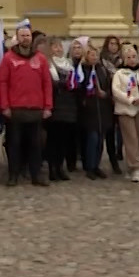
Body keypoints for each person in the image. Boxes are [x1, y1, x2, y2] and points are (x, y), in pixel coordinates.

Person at [0, 23, 52, 186]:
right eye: (22, 35)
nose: (26, 38)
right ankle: (13, 174)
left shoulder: (40, 59)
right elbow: (3, 83)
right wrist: (5, 106)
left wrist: (48, 106)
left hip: (35, 109)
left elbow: (46, 83)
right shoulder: (8, 58)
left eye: (28, 35)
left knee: (36, 145)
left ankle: (36, 175)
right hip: (15, 110)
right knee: (14, 144)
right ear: (17, 38)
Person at [110, 45, 139, 182]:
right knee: (131, 139)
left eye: (134, 56)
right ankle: (136, 167)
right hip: (125, 110)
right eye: (128, 57)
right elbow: (116, 91)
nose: (132, 60)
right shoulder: (120, 74)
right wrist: (130, 99)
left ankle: (132, 165)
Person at [45, 40, 83, 182]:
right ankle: (52, 168)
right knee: (53, 140)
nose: (58, 49)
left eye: (60, 46)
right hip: (55, 106)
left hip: (69, 106)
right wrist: (62, 84)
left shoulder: (69, 65)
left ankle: (60, 167)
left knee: (64, 140)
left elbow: (77, 83)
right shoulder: (49, 65)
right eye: (55, 46)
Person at [76, 45, 113, 179]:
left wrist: (106, 94)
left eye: (96, 55)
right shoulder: (83, 71)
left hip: (103, 109)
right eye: (92, 55)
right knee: (92, 139)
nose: (94, 58)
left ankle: (96, 165)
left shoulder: (102, 70)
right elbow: (79, 89)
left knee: (100, 140)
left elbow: (110, 87)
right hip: (90, 110)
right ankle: (90, 166)